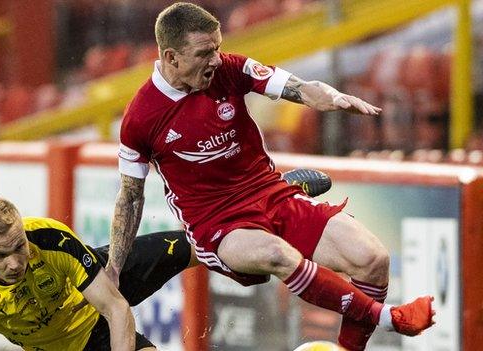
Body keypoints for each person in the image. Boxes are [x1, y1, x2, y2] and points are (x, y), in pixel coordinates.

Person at [106, 3, 434, 351]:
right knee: (276, 254)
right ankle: (389, 318)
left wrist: (328, 96)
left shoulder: (229, 68)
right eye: (205, 52)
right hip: (217, 224)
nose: (216, 59)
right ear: (171, 58)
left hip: (272, 194)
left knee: (373, 259)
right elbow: (129, 197)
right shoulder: (141, 117)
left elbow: (300, 86)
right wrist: (114, 268)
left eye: (217, 47)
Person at [0, 196, 195, 351]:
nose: (14, 263)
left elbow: (115, 307)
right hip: (54, 347)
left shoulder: (52, 239)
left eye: (19, 247)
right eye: (0, 256)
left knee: (203, 244)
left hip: (93, 302)